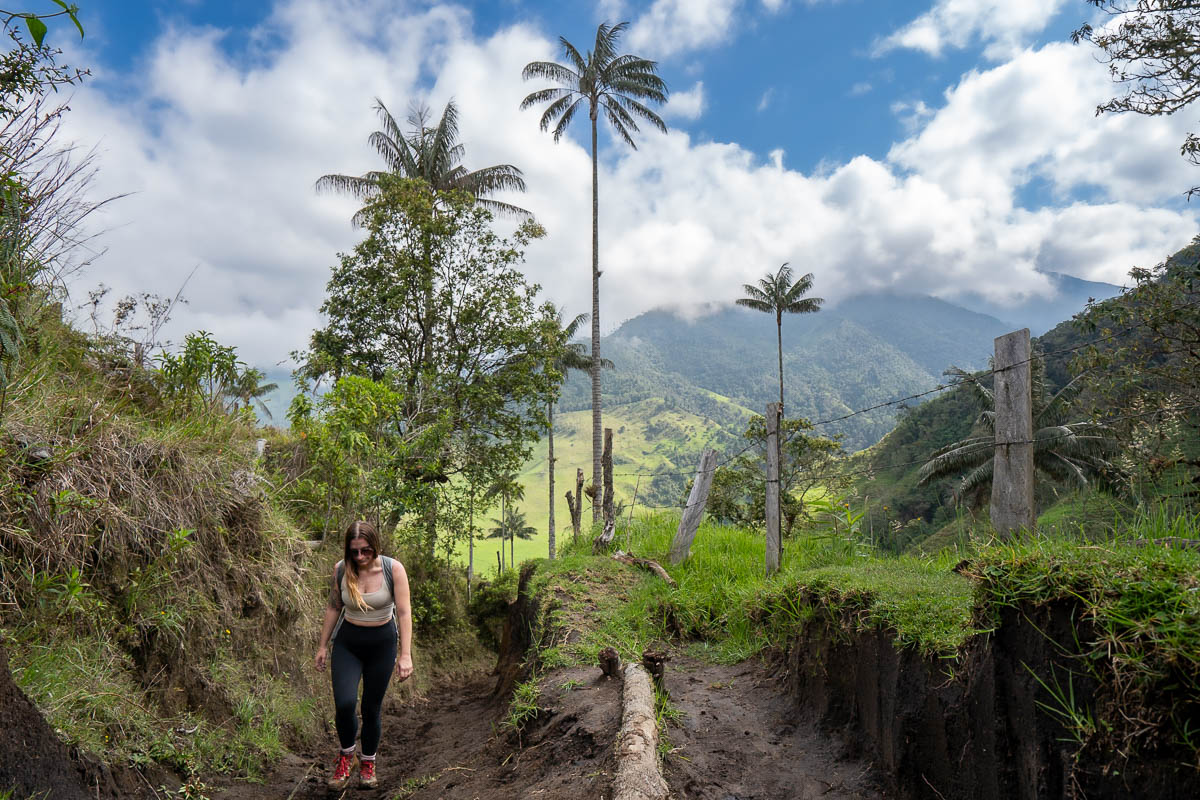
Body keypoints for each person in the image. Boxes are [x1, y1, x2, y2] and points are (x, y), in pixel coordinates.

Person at [315, 520, 413, 790]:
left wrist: (405, 655)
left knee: (371, 708)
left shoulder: (393, 569)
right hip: (348, 643)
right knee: (345, 703)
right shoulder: (340, 570)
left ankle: (368, 761)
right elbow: (334, 608)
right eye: (354, 551)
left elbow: (404, 613)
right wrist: (323, 646)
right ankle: (346, 756)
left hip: (382, 645)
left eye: (365, 550)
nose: (359, 556)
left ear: (375, 547)